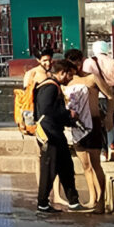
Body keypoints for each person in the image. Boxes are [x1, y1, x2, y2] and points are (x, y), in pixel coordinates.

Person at [35, 59, 84, 213]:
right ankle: (43, 203)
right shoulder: (50, 87)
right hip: (50, 134)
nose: (70, 79)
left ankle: (73, 200)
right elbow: (46, 111)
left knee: (66, 167)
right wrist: (68, 114)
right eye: (70, 75)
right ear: (62, 73)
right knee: (49, 169)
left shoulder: (51, 86)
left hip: (56, 132)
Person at [64, 49, 107, 213]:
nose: (75, 65)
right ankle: (92, 198)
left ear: (82, 60)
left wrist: (109, 116)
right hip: (77, 125)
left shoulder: (91, 78)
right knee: (85, 165)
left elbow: (110, 95)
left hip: (94, 123)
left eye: (77, 61)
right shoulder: (67, 83)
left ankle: (101, 201)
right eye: (71, 62)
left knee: (96, 164)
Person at [83, 41, 114, 162]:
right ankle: (112, 145)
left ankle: (103, 151)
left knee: (97, 122)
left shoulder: (89, 62)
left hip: (94, 96)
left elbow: (85, 80)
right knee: (110, 119)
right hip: (109, 97)